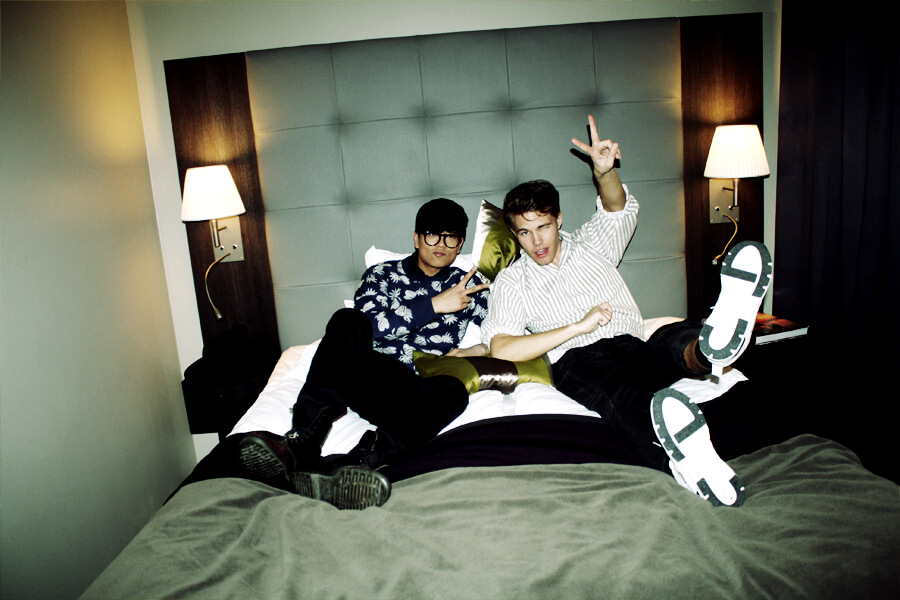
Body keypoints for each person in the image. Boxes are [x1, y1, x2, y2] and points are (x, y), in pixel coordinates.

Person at [481, 115, 772, 507]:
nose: (536, 241)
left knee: (670, 339)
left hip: (634, 344)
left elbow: (616, 207)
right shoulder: (512, 281)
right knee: (622, 397)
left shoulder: (591, 244)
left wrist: (604, 172)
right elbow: (502, 348)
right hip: (577, 359)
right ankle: (684, 459)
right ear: (514, 234)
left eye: (543, 227)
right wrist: (577, 326)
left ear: (559, 219)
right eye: (524, 232)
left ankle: (708, 349)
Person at [239, 198, 490, 509]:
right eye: (432, 234)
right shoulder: (382, 275)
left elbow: (501, 332)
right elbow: (370, 325)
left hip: (412, 388)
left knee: (452, 389)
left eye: (451, 237)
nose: (441, 244)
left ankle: (358, 464)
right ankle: (301, 441)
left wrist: (476, 348)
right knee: (348, 320)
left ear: (460, 243)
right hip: (366, 372)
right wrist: (434, 305)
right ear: (416, 238)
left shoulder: (469, 286)